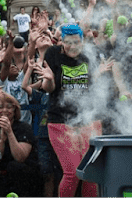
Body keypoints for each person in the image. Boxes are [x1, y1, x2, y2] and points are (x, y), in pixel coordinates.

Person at [39, 23, 108, 197]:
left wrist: (98, 76)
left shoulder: (88, 55)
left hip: (88, 119)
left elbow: (91, 88)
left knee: (90, 174)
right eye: (68, 42)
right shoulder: (53, 54)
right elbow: (49, 88)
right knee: (72, 173)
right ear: (62, 42)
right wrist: (48, 79)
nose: (72, 46)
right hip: (60, 121)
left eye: (76, 42)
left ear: (82, 42)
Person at [0, 91, 42, 198]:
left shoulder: (24, 128)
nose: (4, 110)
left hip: (24, 176)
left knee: (15, 166)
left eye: (9, 107)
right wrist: (2, 141)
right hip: (1, 176)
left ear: (14, 109)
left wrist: (9, 132)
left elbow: (20, 157)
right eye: (0, 107)